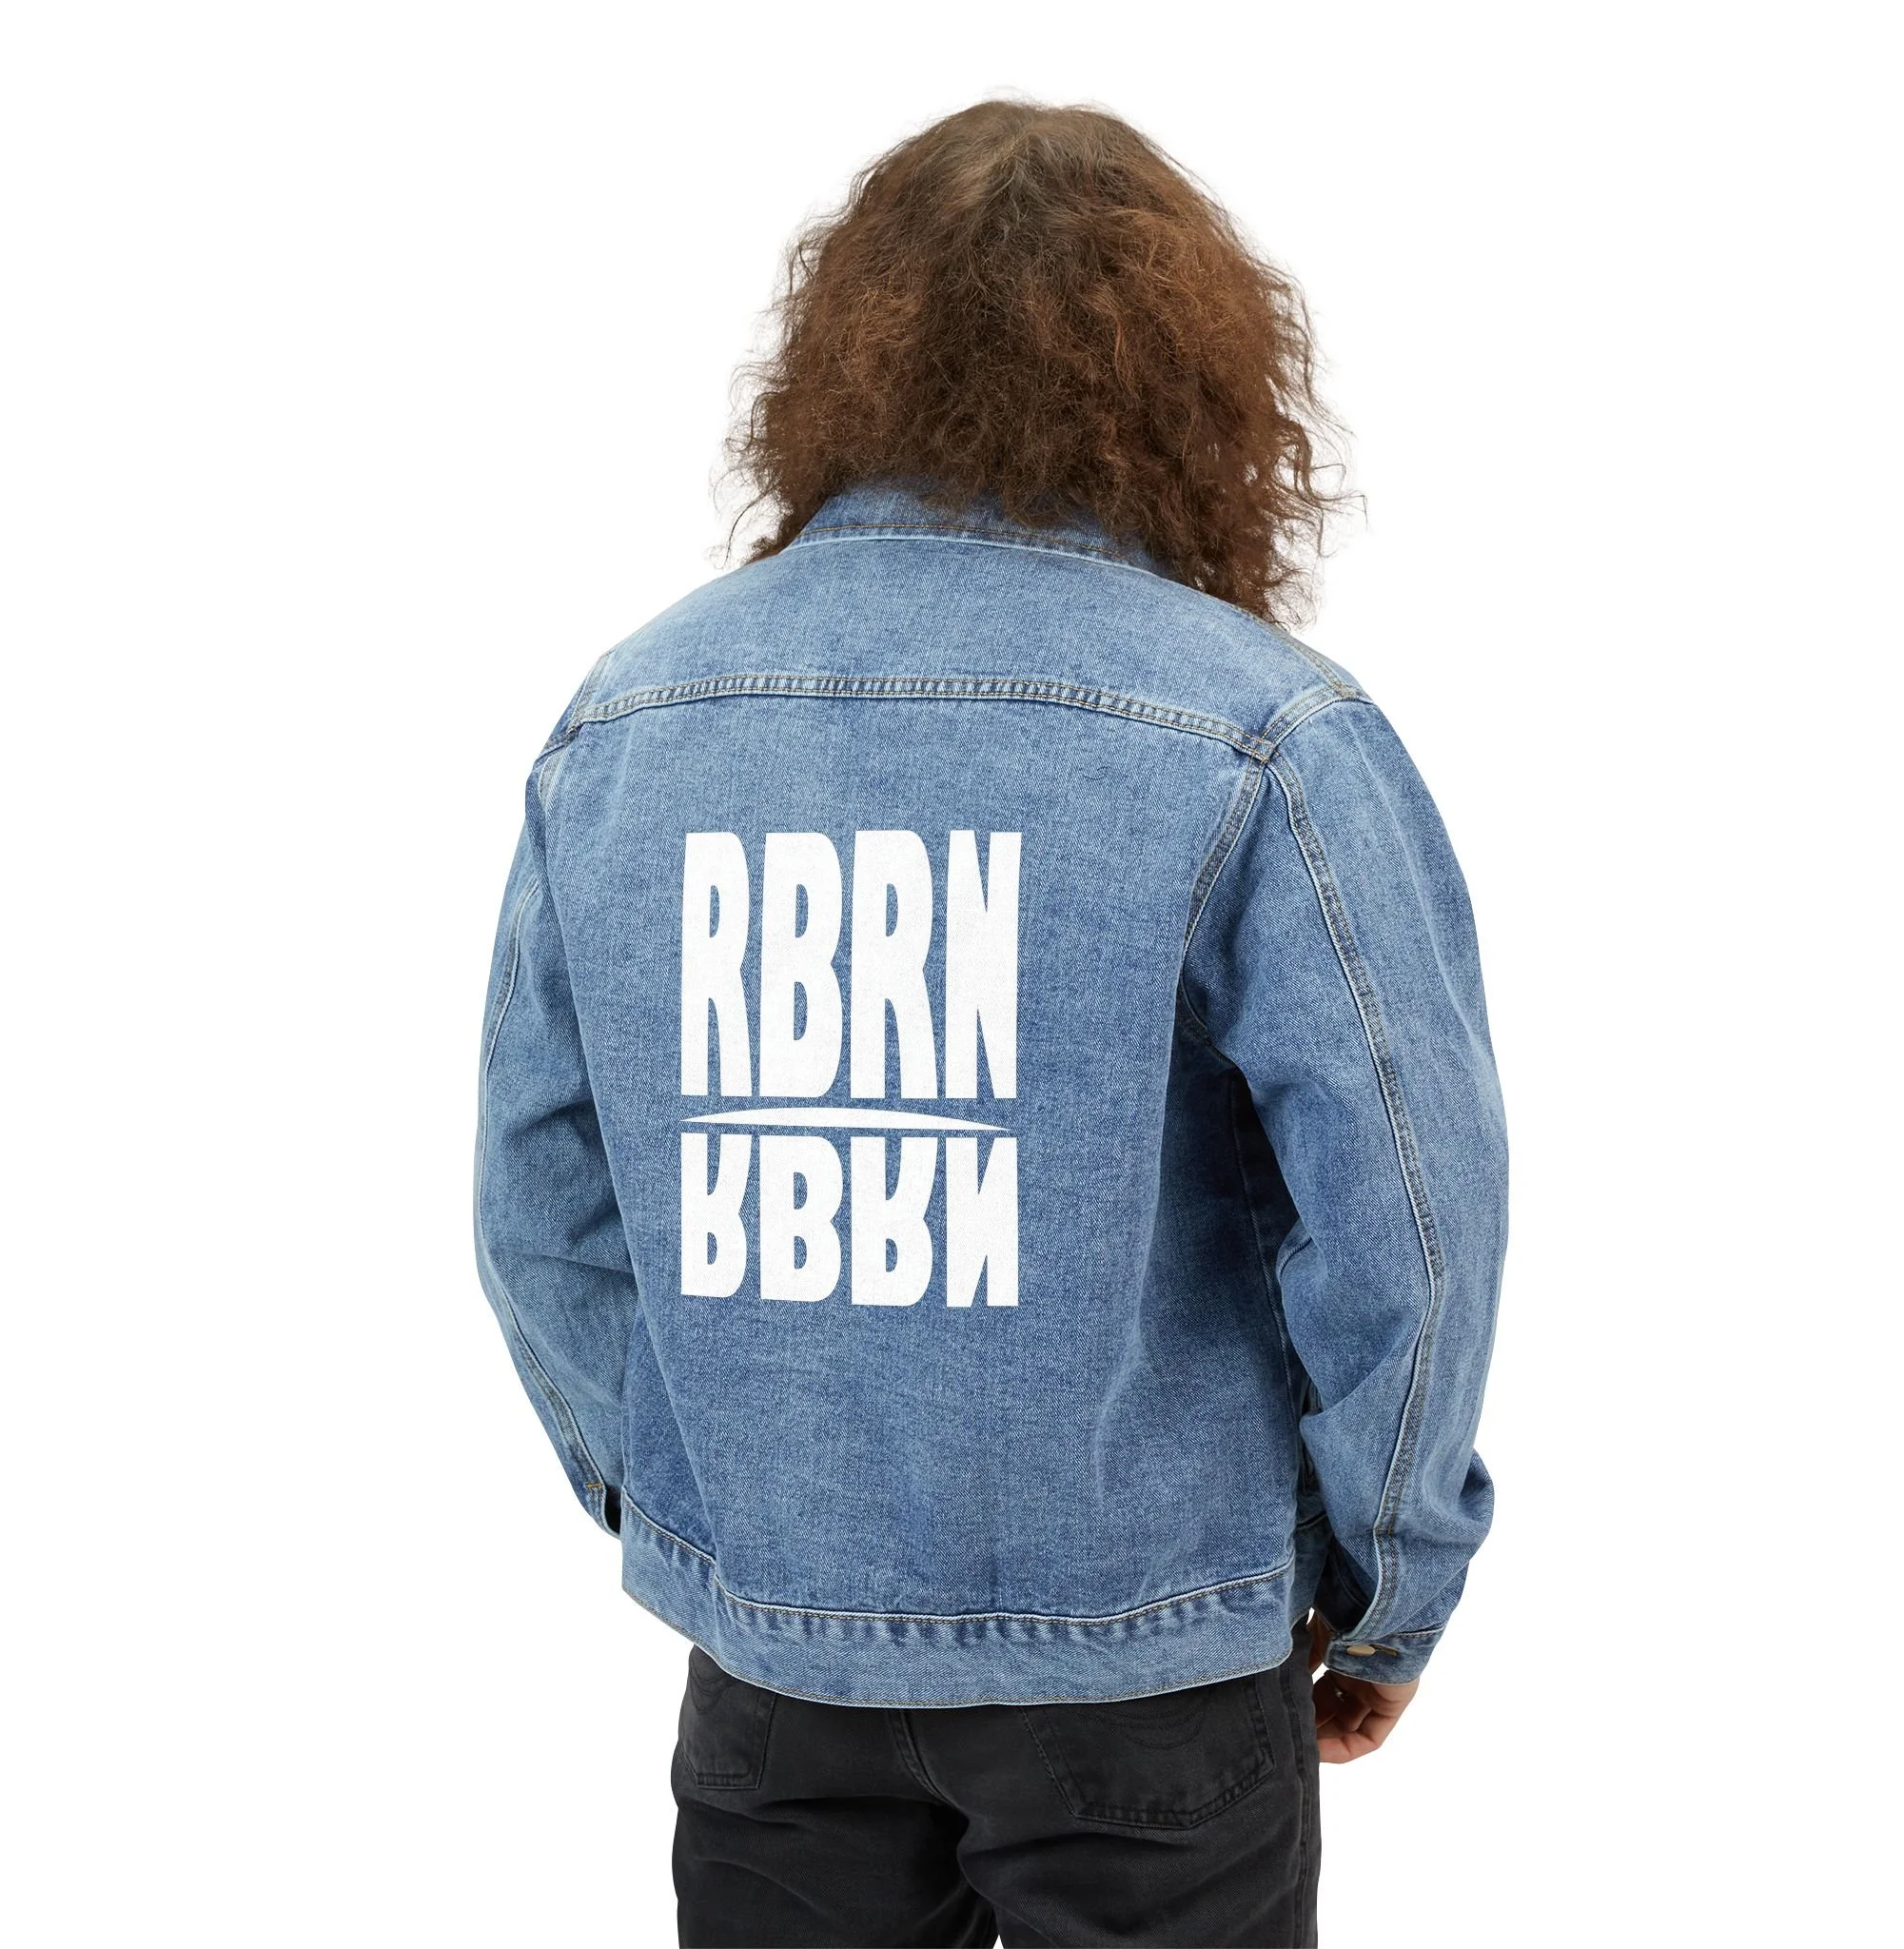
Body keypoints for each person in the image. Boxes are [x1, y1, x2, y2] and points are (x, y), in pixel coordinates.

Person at [474, 98, 1506, 1948]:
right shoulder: (1266, 736)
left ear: (845, 360)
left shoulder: (633, 719)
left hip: (777, 1667)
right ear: (1195, 382)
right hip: (1153, 1657)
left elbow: (537, 1202)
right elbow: (1408, 1230)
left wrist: (711, 1503)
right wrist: (1391, 1578)